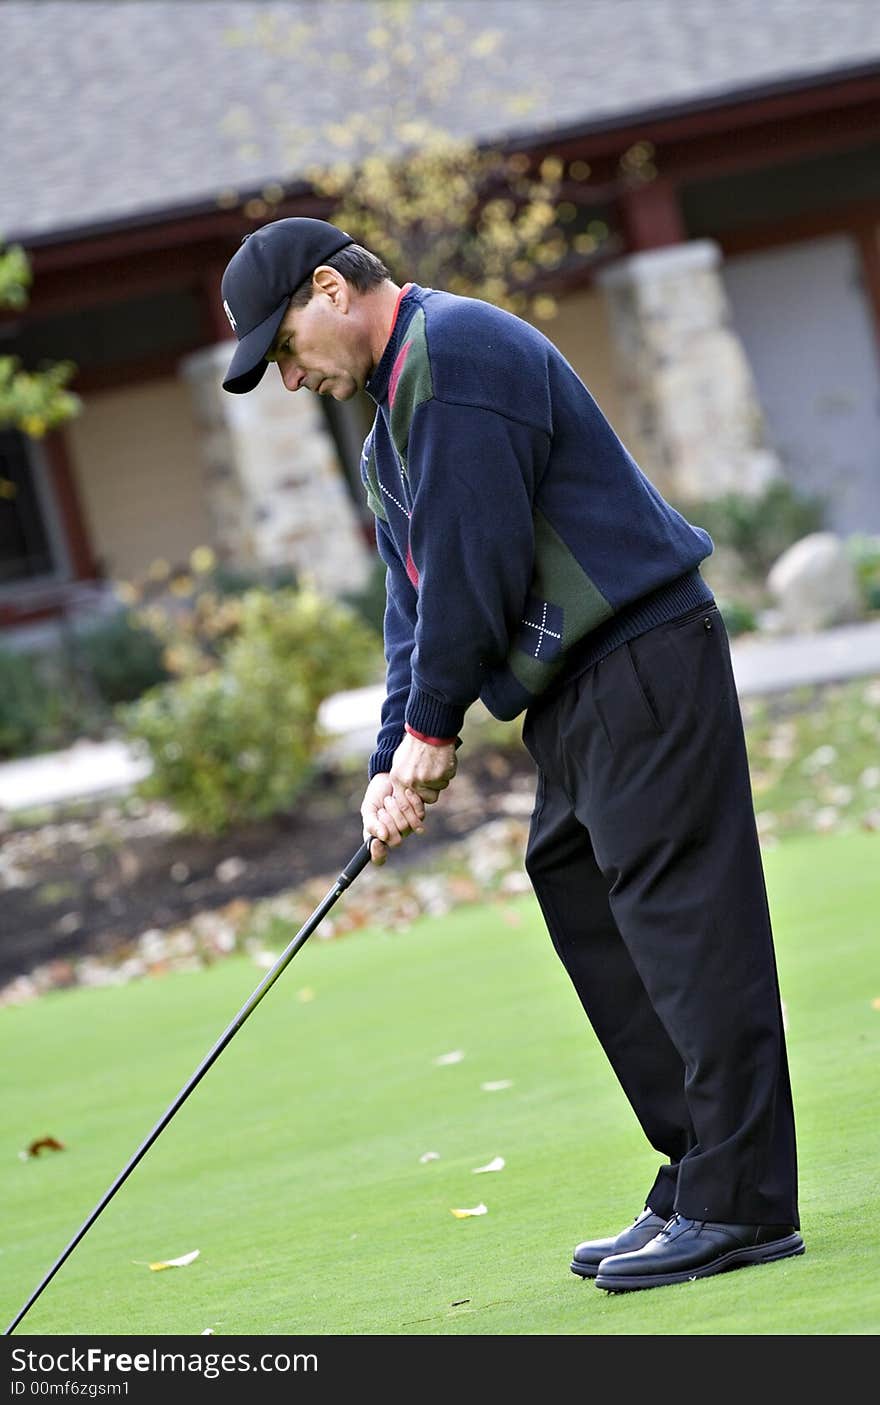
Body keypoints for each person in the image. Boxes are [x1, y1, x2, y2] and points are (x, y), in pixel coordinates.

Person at [220, 216, 803, 1293]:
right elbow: (415, 600)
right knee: (580, 890)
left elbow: (479, 566)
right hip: (581, 692)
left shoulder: (459, 356)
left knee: (684, 923)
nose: (290, 378)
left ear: (330, 290)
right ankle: (697, 1164)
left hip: (642, 657)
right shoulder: (387, 430)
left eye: (286, 348)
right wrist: (390, 757)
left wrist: (435, 736)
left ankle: (744, 1204)